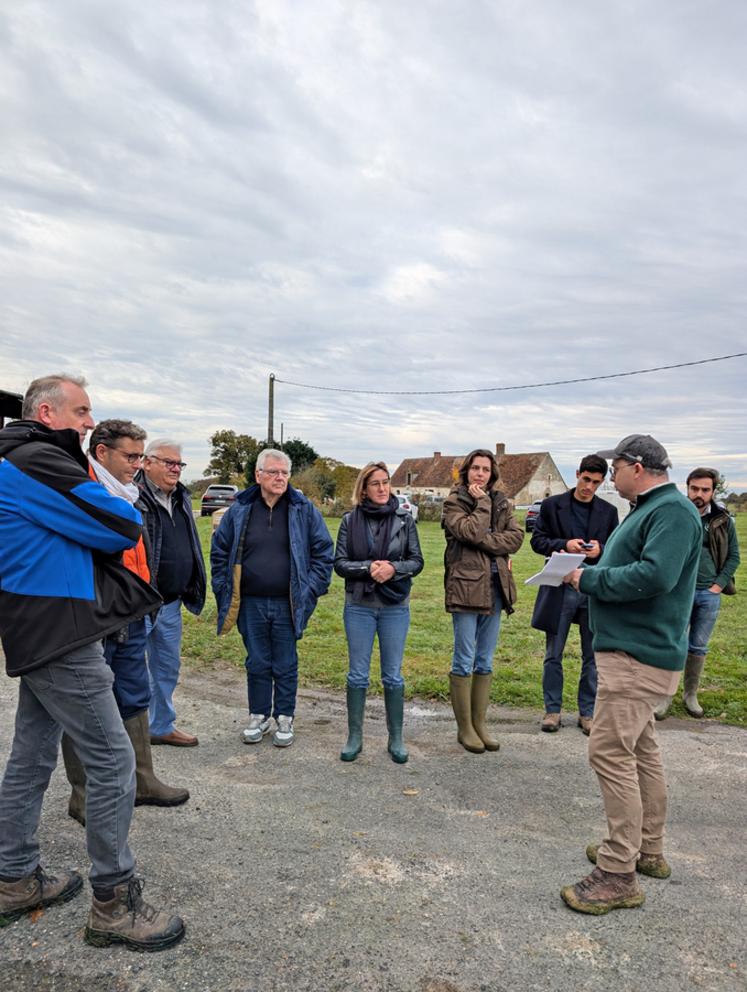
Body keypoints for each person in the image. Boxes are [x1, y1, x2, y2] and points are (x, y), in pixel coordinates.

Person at [0, 374, 183, 949]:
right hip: (60, 632)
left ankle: (13, 877)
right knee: (112, 761)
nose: (87, 421)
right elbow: (120, 522)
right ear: (47, 411)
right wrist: (94, 513)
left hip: (40, 628)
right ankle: (113, 903)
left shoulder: (25, 458)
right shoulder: (35, 458)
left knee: (30, 756)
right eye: (81, 411)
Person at [559, 434, 701, 916]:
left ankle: (619, 872)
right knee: (641, 752)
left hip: (639, 656)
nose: (610, 475)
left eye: (615, 467)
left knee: (609, 751)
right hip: (633, 651)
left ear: (636, 466)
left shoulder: (673, 512)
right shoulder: (651, 509)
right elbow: (641, 565)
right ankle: (648, 850)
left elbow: (654, 576)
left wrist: (588, 578)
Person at [61, 420, 189, 825]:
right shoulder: (81, 489)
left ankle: (142, 780)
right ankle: (83, 796)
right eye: (130, 456)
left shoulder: (128, 494)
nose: (136, 464)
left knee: (134, 696)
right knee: (86, 707)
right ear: (101, 452)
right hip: (95, 620)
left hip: (132, 615)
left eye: (139, 456)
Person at [211, 448, 333, 749]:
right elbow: (220, 551)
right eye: (274, 472)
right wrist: (222, 585)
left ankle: (284, 716)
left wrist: (310, 588)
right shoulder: (240, 509)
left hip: (288, 602)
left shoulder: (302, 509)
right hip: (250, 602)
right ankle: (259, 715)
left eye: (284, 473)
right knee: (257, 661)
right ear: (258, 475)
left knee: (286, 662)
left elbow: (323, 553)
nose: (280, 478)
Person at [334, 462, 424, 764]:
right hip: (358, 606)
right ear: (364, 488)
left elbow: (416, 561)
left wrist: (393, 569)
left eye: (386, 482)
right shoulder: (349, 520)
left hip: (395, 607)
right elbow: (340, 564)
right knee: (358, 674)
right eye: (376, 483)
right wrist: (368, 569)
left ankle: (396, 737)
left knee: (393, 676)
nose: (383, 488)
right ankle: (355, 736)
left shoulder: (404, 519)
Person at [442, 448, 524, 753]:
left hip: (496, 587)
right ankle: (465, 728)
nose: (480, 473)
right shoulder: (455, 501)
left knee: (485, 659)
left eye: (485, 469)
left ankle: (480, 724)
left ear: (492, 474)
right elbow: (468, 530)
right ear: (466, 472)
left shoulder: (502, 502)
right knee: (464, 659)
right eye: (475, 468)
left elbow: (516, 538)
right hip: (465, 589)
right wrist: (482, 504)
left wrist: (486, 541)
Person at [530, 455, 619, 735]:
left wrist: (601, 550)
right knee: (553, 653)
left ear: (602, 482)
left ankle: (587, 712)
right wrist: (564, 544)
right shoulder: (552, 505)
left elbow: (616, 548)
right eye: (585, 480)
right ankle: (552, 710)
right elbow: (537, 541)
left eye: (595, 482)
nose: (588, 487)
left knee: (592, 655)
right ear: (577, 474)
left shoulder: (608, 511)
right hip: (560, 587)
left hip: (592, 588)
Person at [654, 467, 740, 720]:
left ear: (713, 491)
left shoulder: (723, 519)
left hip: (708, 594)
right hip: (679, 593)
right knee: (674, 643)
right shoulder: (676, 515)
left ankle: (690, 695)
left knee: (698, 647)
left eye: (705, 489)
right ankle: (664, 696)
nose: (699, 494)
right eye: (694, 488)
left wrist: (717, 585)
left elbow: (733, 556)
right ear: (687, 487)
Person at [136, 439, 206, 747]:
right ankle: (129, 733)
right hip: (138, 603)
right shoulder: (132, 496)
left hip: (170, 603)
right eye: (169, 463)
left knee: (167, 667)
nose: (175, 469)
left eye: (179, 464)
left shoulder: (181, 498)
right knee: (130, 670)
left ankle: (160, 725)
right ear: (147, 463)